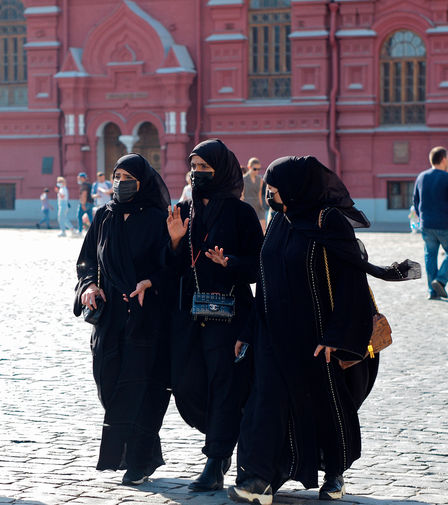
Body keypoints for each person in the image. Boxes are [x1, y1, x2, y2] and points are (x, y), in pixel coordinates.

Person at [228, 155, 420, 505]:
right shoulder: (278, 220)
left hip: (317, 338)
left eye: (274, 187)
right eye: (268, 187)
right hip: (273, 334)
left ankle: (334, 472)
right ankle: (259, 479)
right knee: (265, 404)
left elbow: (351, 282)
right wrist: (249, 328)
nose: (269, 193)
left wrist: (337, 337)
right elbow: (265, 279)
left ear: (297, 187)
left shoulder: (328, 221)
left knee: (325, 407)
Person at [165, 140, 262, 492]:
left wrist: (231, 263)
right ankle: (221, 442)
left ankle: (216, 460)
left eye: (204, 167)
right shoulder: (183, 209)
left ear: (220, 171)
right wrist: (175, 241)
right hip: (191, 317)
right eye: (193, 166)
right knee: (188, 384)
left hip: (230, 315)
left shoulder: (241, 214)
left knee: (225, 388)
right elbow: (171, 267)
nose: (197, 173)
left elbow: (259, 267)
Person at [74, 153, 172, 486]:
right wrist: (88, 286)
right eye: (116, 175)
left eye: (128, 176)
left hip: (145, 316)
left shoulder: (158, 219)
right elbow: (86, 261)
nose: (120, 182)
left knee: (139, 388)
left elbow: (170, 267)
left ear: (142, 182)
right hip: (109, 317)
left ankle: (139, 459)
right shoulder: (104, 216)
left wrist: (151, 282)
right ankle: (143, 453)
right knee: (109, 383)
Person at [413, 147, 448, 299]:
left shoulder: (421, 176)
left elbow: (415, 201)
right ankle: (440, 281)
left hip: (426, 224)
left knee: (430, 255)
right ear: (443, 159)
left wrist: (422, 216)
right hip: (444, 224)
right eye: (447, 158)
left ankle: (432, 291)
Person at [241, 157, 267, 232]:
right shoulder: (243, 179)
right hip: (248, 205)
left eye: (259, 169)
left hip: (258, 206)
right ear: (249, 167)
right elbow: (241, 195)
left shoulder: (260, 179)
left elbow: (259, 194)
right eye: (255, 169)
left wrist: (262, 206)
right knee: (249, 230)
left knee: (262, 230)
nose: (257, 171)